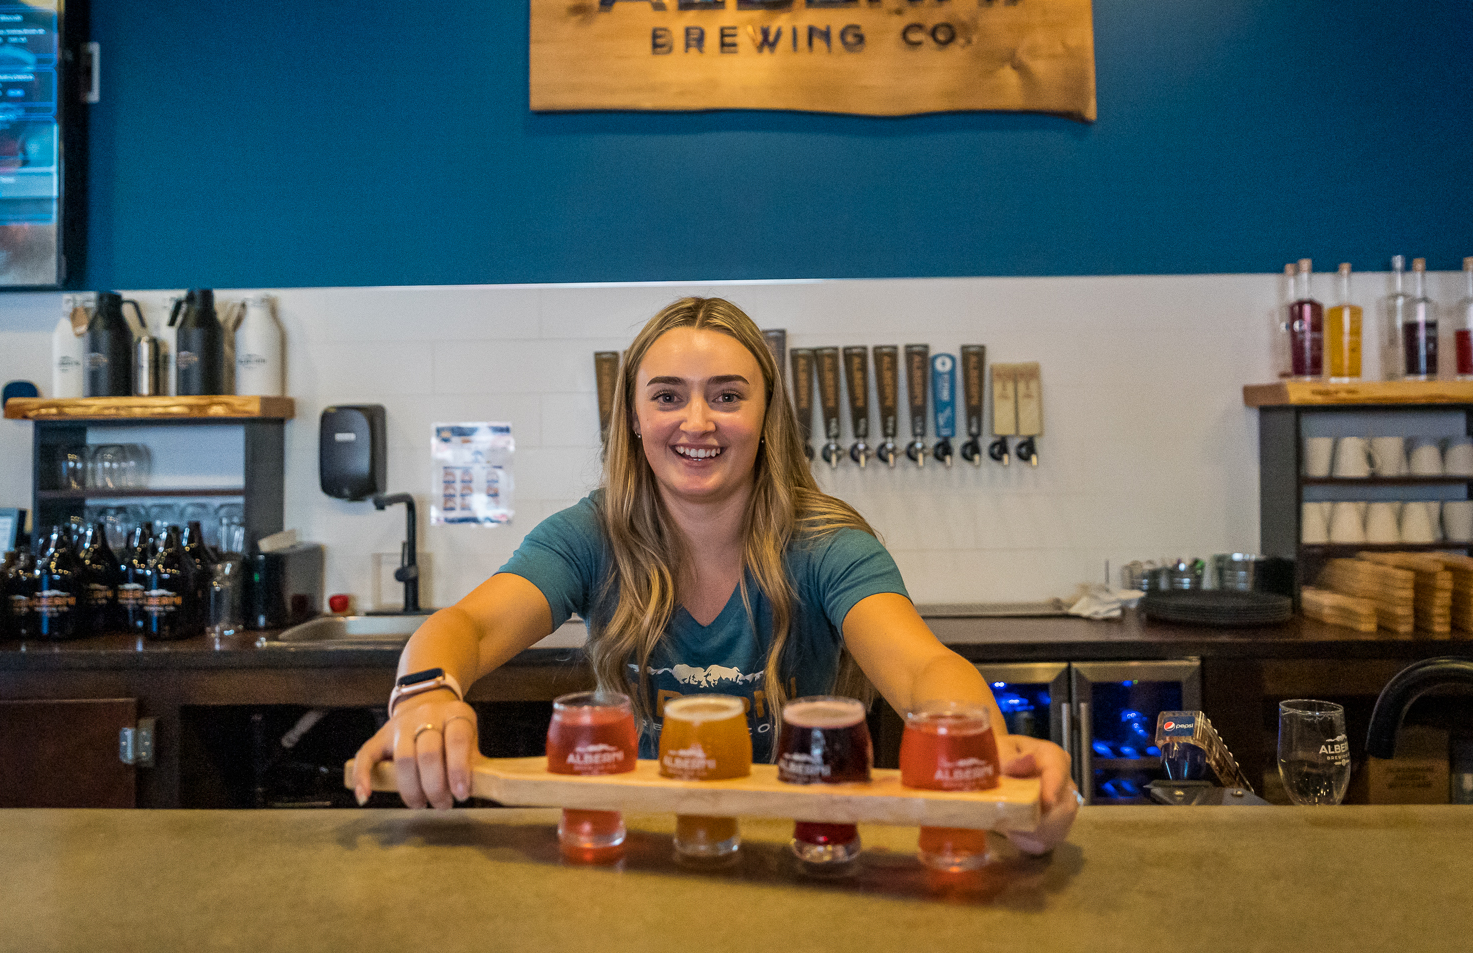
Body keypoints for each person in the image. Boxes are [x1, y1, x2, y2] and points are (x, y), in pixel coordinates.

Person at [352, 296, 1080, 854]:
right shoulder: (591, 533)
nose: (696, 421)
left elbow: (923, 667)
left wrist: (980, 743)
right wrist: (423, 695)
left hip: (798, 849)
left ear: (766, 418)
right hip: (630, 846)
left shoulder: (826, 541)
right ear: (634, 417)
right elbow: (466, 627)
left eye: (727, 396)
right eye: (667, 395)